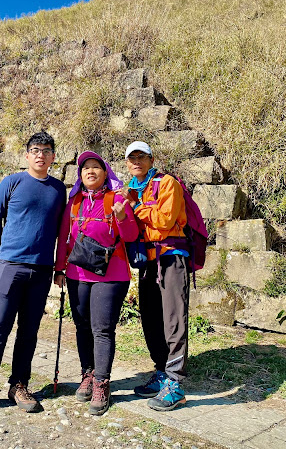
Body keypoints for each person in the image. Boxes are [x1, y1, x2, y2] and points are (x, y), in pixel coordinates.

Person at [0, 132, 66, 417]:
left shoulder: (59, 189)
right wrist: (4, 251)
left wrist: (59, 266)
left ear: (53, 156)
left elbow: (62, 231)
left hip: (42, 270)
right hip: (11, 266)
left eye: (47, 150)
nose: (41, 155)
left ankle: (18, 385)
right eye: (35, 150)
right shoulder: (13, 182)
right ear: (27, 154)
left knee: (29, 331)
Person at [54, 151, 138, 415]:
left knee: (102, 329)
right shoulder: (75, 202)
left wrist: (122, 217)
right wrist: (59, 269)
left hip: (111, 275)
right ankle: (87, 374)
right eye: (85, 168)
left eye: (95, 167)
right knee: (81, 326)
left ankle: (102, 383)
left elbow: (132, 235)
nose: (90, 171)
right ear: (80, 176)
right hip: (77, 274)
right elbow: (64, 237)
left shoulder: (117, 200)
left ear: (105, 173)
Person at [118, 141, 189, 411]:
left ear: (151, 159)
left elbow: (165, 220)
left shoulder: (167, 183)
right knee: (150, 318)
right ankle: (161, 372)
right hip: (147, 260)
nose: (136, 161)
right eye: (131, 158)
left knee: (174, 318)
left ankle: (175, 383)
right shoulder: (132, 189)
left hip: (170, 255)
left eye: (142, 156)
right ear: (126, 163)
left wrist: (136, 207)